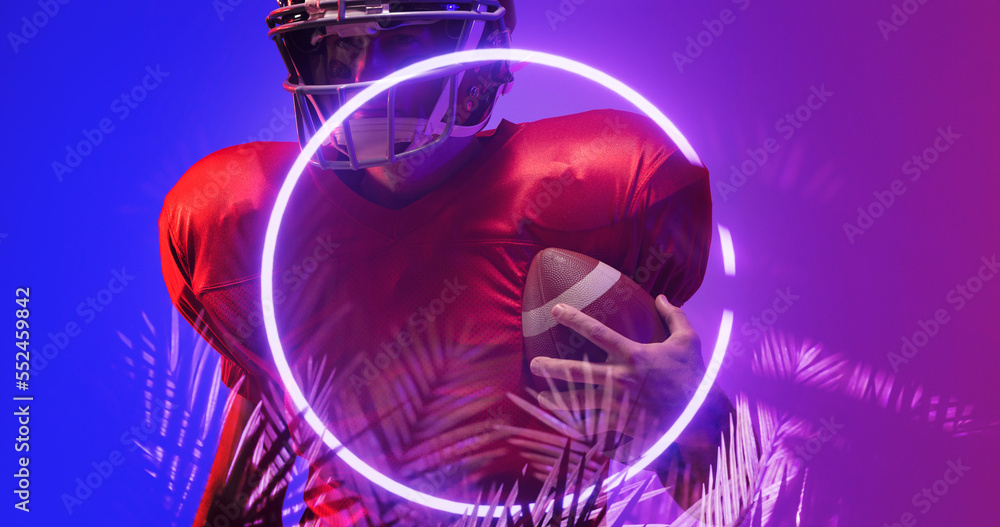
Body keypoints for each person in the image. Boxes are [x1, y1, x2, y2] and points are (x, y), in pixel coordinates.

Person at [158, 1, 732, 524]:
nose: (360, 79)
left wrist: (692, 415)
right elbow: (265, 425)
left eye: (403, 41)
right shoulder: (244, 217)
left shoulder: (608, 182)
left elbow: (726, 488)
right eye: (338, 44)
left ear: (481, 54)